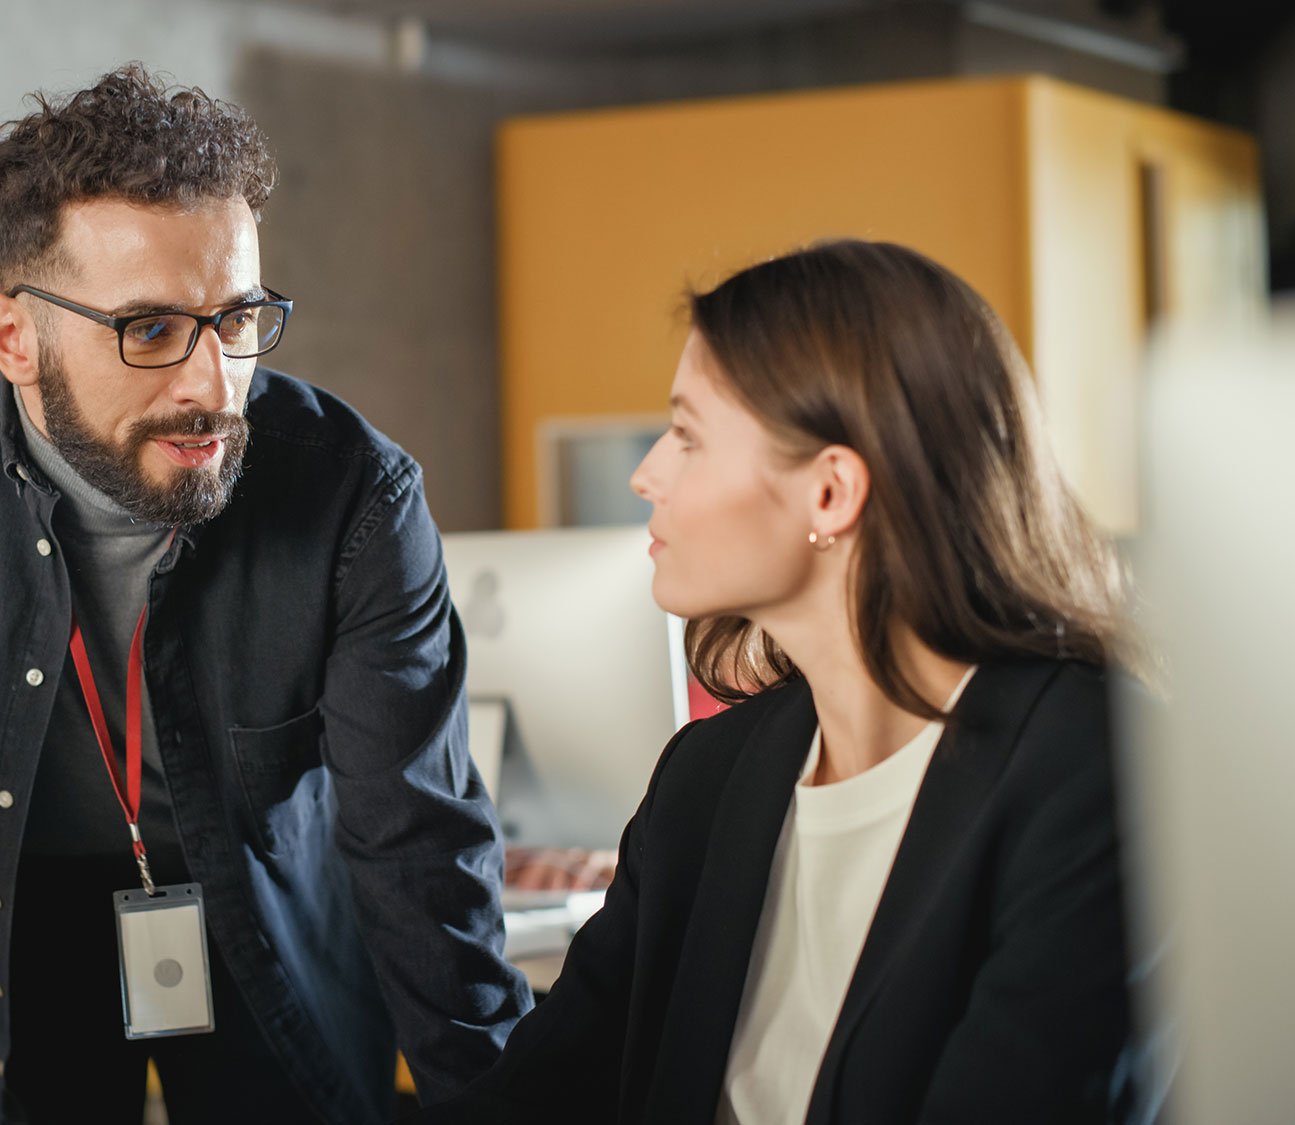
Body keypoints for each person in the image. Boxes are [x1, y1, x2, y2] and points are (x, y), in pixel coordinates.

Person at [0, 65, 529, 1125]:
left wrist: (500, 1109)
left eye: (236, 319)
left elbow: (417, 847)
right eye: (148, 330)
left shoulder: (354, 493)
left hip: (259, 901)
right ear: (14, 337)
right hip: (21, 908)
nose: (210, 384)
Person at [422, 240, 1152, 1123]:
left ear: (831, 493)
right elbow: (540, 1094)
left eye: (688, 434)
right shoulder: (708, 775)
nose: (645, 473)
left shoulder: (1096, 765)